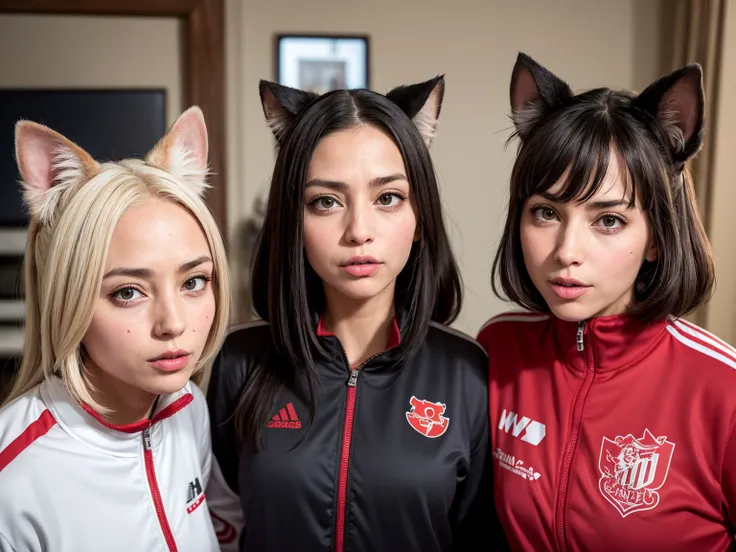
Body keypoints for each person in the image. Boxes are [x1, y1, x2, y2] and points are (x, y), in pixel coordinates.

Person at [205, 77, 506, 551]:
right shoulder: (239, 362)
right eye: (325, 202)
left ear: (420, 217)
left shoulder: (467, 373)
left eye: (388, 198)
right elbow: (216, 524)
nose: (359, 231)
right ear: (293, 222)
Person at [477, 52, 736, 551]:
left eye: (609, 220)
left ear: (658, 236)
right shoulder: (496, 349)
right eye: (546, 212)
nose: (566, 252)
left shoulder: (722, 391)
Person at [0, 106, 230, 551]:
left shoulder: (188, 406)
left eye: (194, 282)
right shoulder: (13, 474)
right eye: (127, 292)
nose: (174, 324)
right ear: (69, 296)